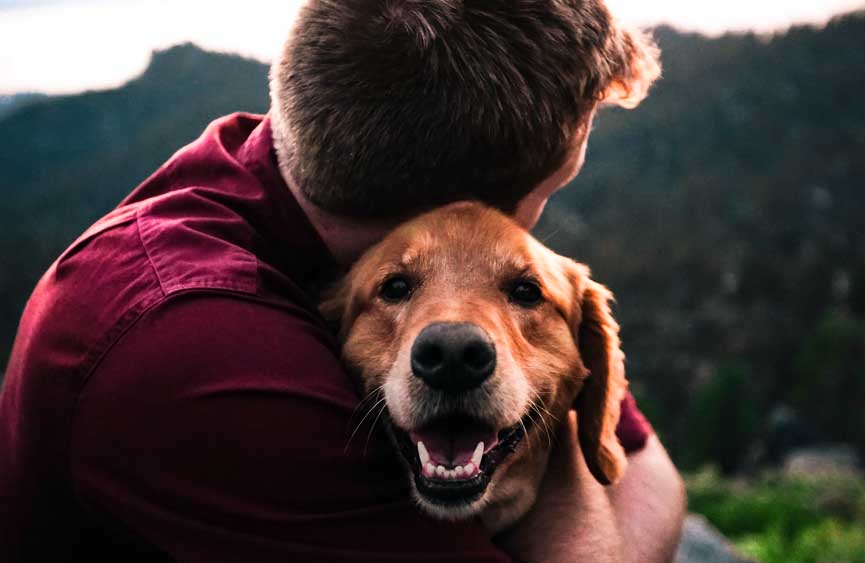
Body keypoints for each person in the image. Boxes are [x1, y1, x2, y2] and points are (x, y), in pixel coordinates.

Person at [0, 1, 685, 561]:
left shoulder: (303, 167)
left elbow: (648, 469)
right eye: (554, 185)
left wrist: (555, 416)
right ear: (465, 206)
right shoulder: (196, 348)